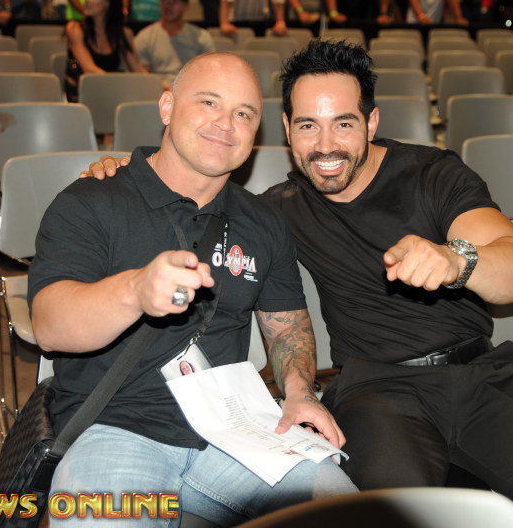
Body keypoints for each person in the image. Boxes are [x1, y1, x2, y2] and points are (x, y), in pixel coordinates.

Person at [90, 40, 513, 528]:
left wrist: (455, 260)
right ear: (286, 129)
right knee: (387, 520)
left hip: (480, 378)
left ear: (371, 123)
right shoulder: (276, 211)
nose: (326, 146)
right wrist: (128, 177)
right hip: (377, 393)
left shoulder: (432, 173)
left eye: (344, 123)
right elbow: (185, 198)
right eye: (308, 125)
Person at [30, 51, 357, 526]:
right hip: (115, 430)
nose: (225, 124)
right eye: (208, 103)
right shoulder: (93, 201)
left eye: (244, 113)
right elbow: (49, 326)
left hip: (236, 430)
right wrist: (134, 291)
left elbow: (288, 327)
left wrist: (300, 392)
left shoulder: (263, 222)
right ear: (167, 107)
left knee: (349, 511)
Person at [64, 0, 146, 101]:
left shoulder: (123, 34)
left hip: (112, 96)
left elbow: (138, 70)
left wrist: (160, 85)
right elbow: (89, 69)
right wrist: (121, 87)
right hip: (82, 96)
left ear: (108, 2)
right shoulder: (75, 29)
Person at [134, 0, 214, 86]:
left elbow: (209, 74)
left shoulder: (201, 37)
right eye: (165, 0)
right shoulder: (145, 37)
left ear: (186, 7)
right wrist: (161, 87)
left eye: (175, 1)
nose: (168, 6)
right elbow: (142, 76)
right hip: (156, 91)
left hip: (191, 90)